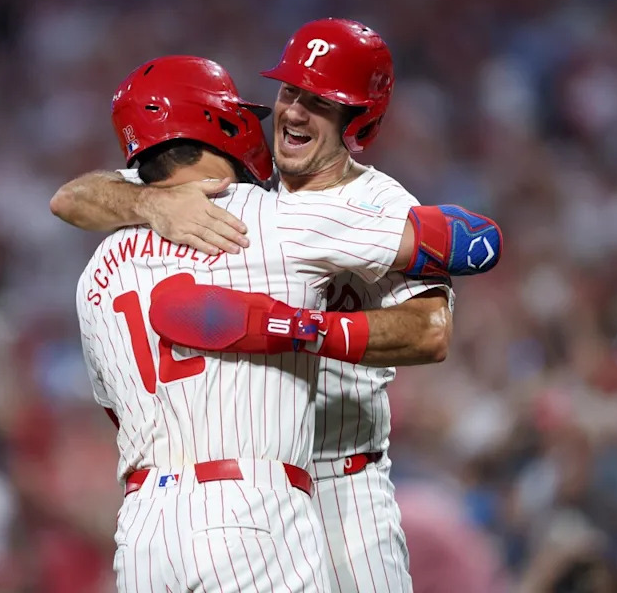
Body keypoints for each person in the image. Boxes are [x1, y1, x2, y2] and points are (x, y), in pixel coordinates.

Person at [71, 54, 500, 592]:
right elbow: (475, 240)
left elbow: (114, 408)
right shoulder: (278, 220)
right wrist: (300, 328)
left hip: (143, 531)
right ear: (223, 123)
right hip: (254, 506)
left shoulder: (94, 275)